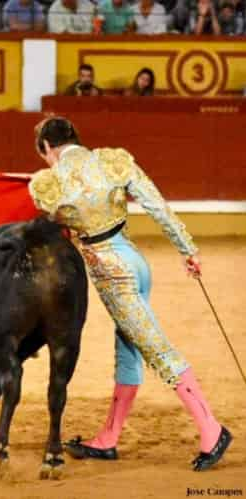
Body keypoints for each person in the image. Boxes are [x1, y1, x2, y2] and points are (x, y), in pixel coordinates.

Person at [28, 116, 232, 471]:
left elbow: (47, 224)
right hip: (135, 260)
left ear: (46, 146)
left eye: (43, 152)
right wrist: (188, 250)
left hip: (112, 272)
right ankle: (108, 438)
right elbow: (157, 205)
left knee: (156, 350)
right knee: (128, 348)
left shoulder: (49, 182)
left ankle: (212, 430)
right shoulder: (112, 160)